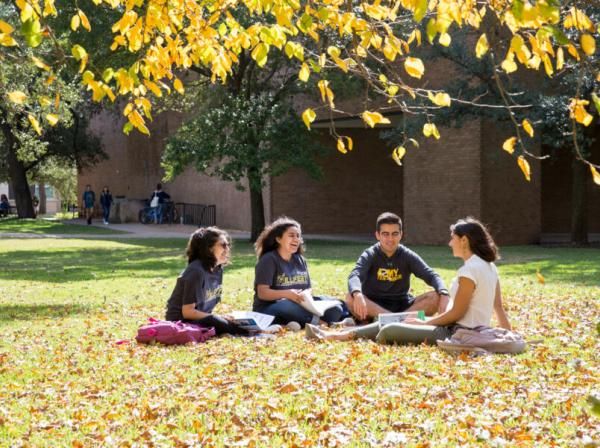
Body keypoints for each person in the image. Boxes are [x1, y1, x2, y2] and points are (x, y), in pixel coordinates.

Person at [305, 217, 513, 344]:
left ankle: (338, 335)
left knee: (389, 330)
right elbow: (499, 308)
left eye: (453, 238)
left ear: (464, 240)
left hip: (456, 332)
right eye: (385, 234)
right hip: (458, 327)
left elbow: (456, 314)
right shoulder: (489, 266)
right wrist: (509, 335)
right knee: (369, 308)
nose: (450, 243)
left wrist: (427, 319)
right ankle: (338, 335)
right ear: (378, 235)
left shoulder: (469, 271)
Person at [346, 212, 450, 323]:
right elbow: (355, 275)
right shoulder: (370, 254)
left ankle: (389, 321)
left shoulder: (407, 255)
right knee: (350, 297)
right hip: (374, 306)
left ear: (401, 234)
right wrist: (357, 294)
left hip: (403, 306)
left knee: (435, 297)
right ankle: (396, 321)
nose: (390, 239)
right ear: (378, 235)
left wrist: (444, 292)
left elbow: (431, 275)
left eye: (394, 234)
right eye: (385, 234)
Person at [252, 216, 344, 329]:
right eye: (291, 235)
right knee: (287, 306)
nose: (296, 239)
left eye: (298, 236)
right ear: (278, 239)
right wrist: (287, 294)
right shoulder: (269, 260)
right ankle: (319, 323)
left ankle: (293, 324)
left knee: (335, 306)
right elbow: (263, 293)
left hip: (300, 305)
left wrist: (306, 296)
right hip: (269, 308)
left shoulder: (300, 260)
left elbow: (308, 288)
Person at [165, 227, 250, 336]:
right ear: (209, 248)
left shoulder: (217, 269)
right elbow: (188, 312)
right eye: (223, 245)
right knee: (222, 323)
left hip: (199, 319)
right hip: (181, 322)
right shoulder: (195, 271)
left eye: (228, 245)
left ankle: (253, 330)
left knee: (233, 320)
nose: (227, 249)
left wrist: (220, 318)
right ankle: (257, 333)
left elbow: (205, 310)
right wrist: (217, 319)